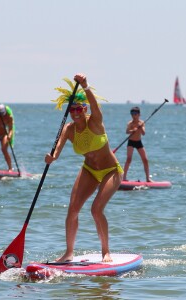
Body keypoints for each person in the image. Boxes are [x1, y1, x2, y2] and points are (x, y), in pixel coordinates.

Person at [45, 74, 123, 262]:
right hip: (89, 170)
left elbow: (95, 106)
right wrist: (51, 157)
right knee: (72, 210)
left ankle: (106, 252)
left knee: (96, 209)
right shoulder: (69, 129)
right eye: (72, 109)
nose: (75, 112)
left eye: (79, 108)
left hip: (111, 171)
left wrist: (86, 86)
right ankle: (69, 252)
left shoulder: (95, 121)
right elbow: (56, 151)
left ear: (85, 108)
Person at [122, 106, 152, 182]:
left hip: (138, 142)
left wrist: (140, 127)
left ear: (139, 114)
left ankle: (148, 179)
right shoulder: (130, 123)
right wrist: (133, 130)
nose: (133, 115)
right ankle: (124, 177)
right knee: (129, 159)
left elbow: (143, 133)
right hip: (131, 142)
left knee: (145, 159)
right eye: (132, 114)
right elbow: (127, 131)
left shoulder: (142, 123)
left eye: (135, 114)